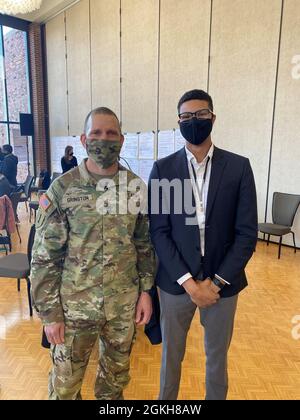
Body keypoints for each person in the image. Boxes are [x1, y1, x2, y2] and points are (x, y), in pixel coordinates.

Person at [30, 107, 154, 400]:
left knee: (114, 386)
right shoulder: (63, 189)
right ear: (84, 139)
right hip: (73, 311)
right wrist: (50, 314)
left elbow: (144, 244)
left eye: (111, 133)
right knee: (65, 388)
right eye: (96, 133)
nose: (104, 140)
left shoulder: (135, 187)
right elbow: (44, 258)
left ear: (121, 140)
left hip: (122, 308)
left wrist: (146, 291)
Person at [148, 89, 258, 400]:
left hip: (222, 286)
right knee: (171, 358)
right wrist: (189, 283)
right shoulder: (164, 170)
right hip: (175, 284)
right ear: (179, 122)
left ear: (213, 118)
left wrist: (215, 283)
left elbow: (246, 233)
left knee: (217, 360)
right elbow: (160, 231)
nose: (194, 121)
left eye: (201, 115)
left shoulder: (238, 167)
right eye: (186, 117)